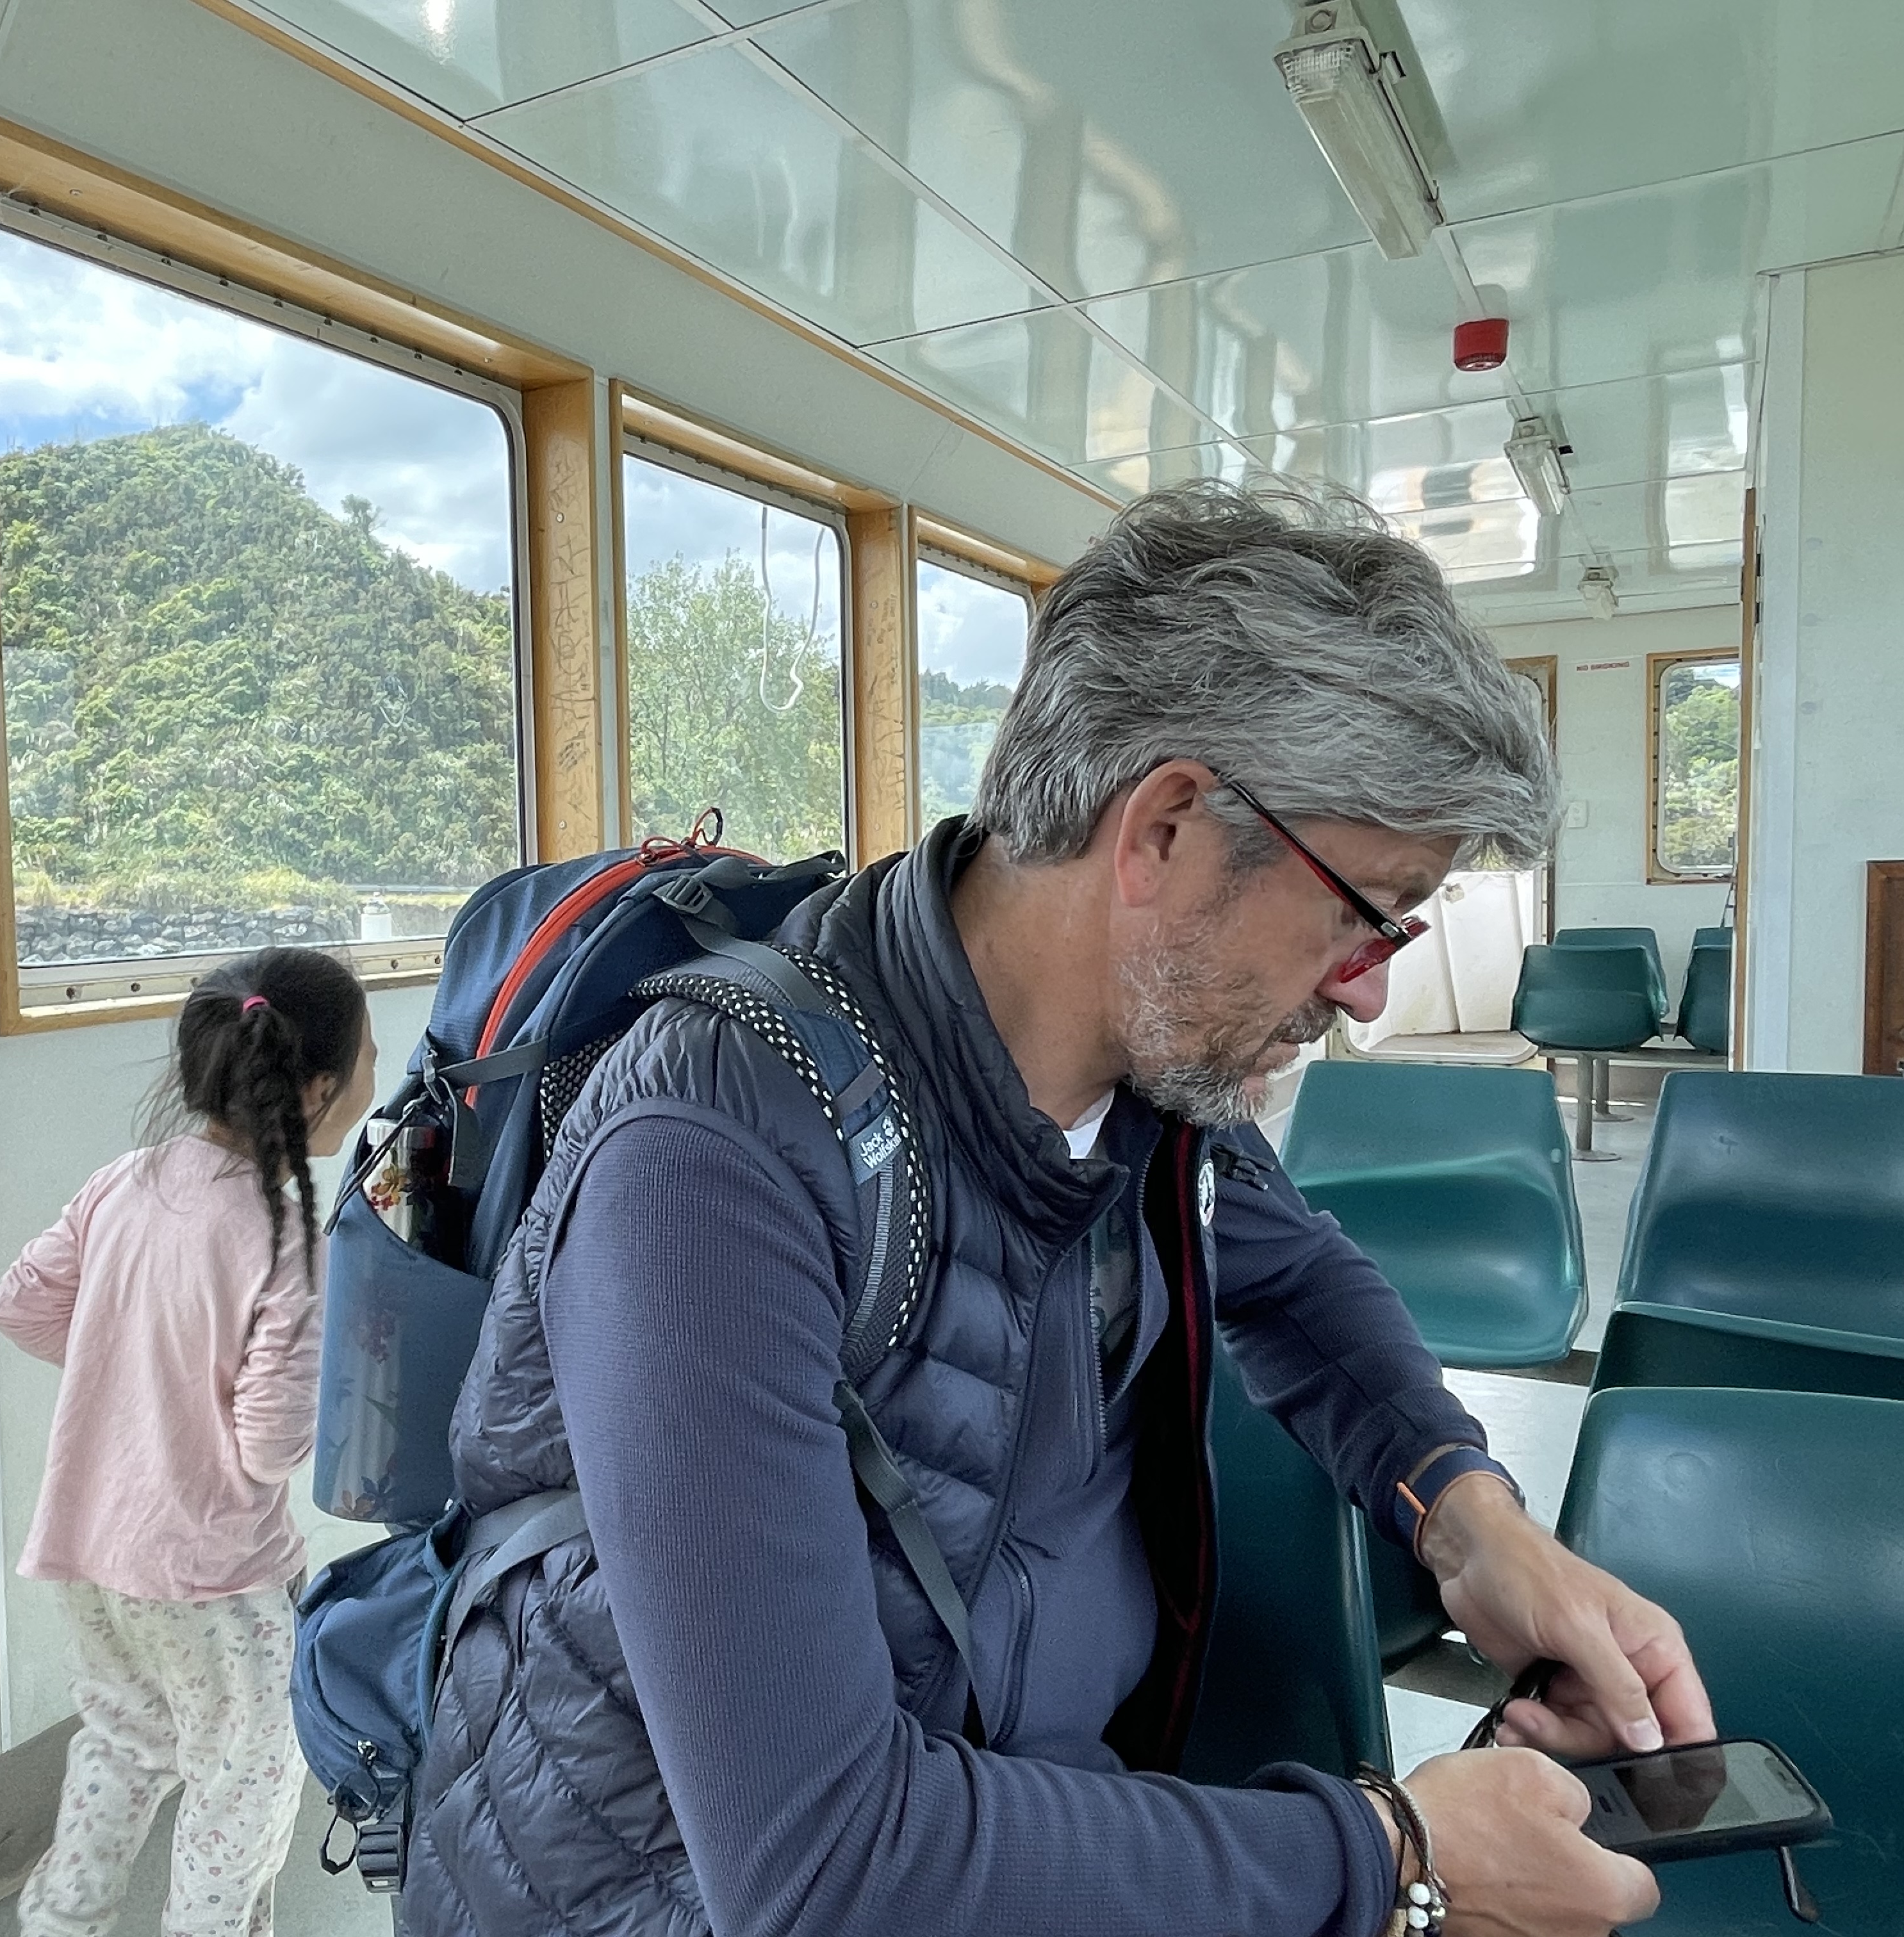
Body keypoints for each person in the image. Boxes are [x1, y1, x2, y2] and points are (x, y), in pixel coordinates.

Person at [407, 482, 1713, 1937]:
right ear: (1165, 830)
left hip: (1040, 1832)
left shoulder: (1148, 1071)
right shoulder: (714, 1148)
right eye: (1366, 913)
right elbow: (822, 1869)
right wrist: (1395, 1857)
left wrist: (1470, 1522)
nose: (1368, 992)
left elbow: (1299, 1284)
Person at [0, 946, 375, 1937]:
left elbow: (22, 1304)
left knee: (122, 1746)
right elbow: (269, 1447)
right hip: (215, 1574)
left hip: (91, 1551)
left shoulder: (123, 1182)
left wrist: (133, 1377)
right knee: (242, 1789)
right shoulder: (286, 1239)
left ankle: (59, 1922)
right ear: (319, 1089)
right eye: (368, 1057)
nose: (373, 1074)